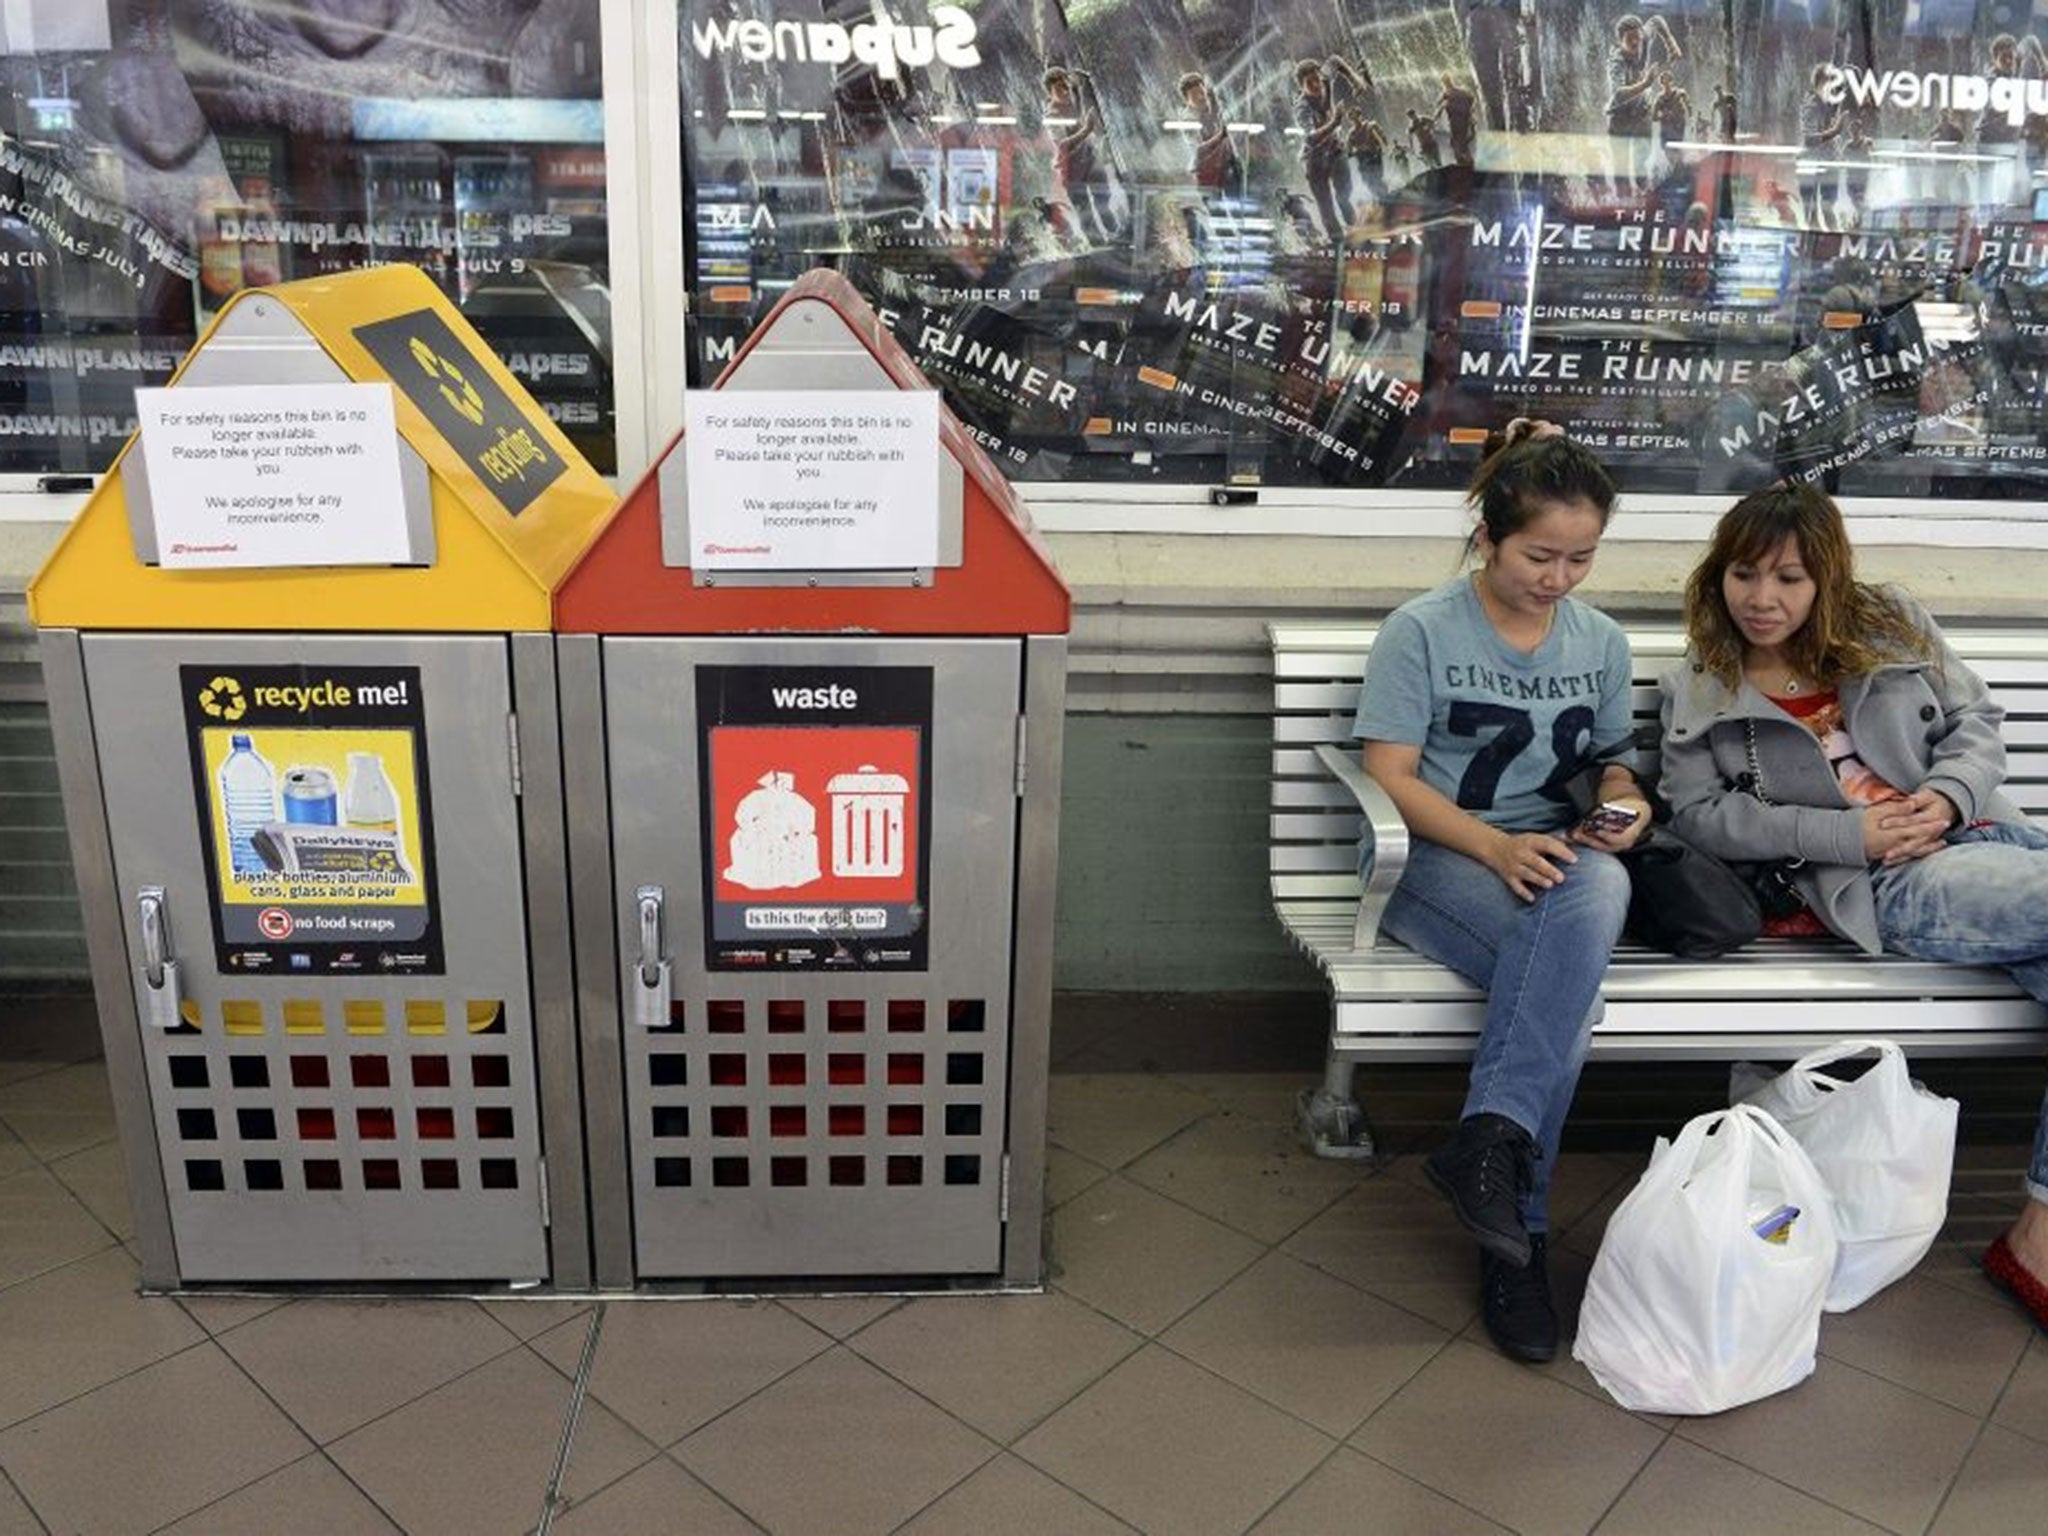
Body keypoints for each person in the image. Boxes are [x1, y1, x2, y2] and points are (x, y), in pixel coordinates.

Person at [1657, 483, 2048, 1329]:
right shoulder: (1706, 680)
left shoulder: (1891, 621)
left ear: (1826, 578)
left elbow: (1975, 721)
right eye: (1744, 574)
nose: (1763, 599)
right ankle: (2039, 1240)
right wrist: (1851, 838)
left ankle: (2038, 1239)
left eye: (1790, 579)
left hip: (1982, 836)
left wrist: (1945, 799)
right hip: (1882, 885)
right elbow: (1700, 816)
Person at [1355, 421, 1649, 1363]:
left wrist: (1624, 803)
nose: (1558, 578)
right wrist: (1493, 846)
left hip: (1559, 866)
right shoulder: (1422, 630)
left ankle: (1488, 1150)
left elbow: (1611, 764)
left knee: (1595, 888)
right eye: (1539, 555)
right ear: (1488, 536)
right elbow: (1392, 774)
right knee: (1570, 989)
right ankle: (1516, 1233)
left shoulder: (1600, 643)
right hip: (1438, 865)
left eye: (1581, 558)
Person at [1292, 59, 1351, 245]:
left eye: (1317, 79)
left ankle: (1352, 223)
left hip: (1334, 151)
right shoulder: (1301, 107)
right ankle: (1338, 245)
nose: (1316, 85)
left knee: (1344, 193)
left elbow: (1335, 62)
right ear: (1302, 86)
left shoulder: (1324, 82)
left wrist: (1355, 80)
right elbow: (1310, 137)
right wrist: (1334, 122)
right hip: (1315, 159)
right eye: (1310, 83)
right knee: (1326, 206)